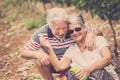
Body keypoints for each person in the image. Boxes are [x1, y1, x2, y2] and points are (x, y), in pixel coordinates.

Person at [21, 7, 101, 80]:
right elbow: (24, 52)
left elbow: (98, 32)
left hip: (73, 63)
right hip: (55, 65)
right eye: (58, 29)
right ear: (50, 26)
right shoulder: (41, 34)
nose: (62, 32)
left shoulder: (72, 30)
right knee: (39, 61)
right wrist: (38, 54)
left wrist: (91, 35)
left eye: (64, 28)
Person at [39, 13, 119, 80]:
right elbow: (59, 67)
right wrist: (49, 48)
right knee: (71, 73)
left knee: (96, 73)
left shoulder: (98, 40)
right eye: (71, 31)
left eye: (77, 29)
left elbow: (108, 58)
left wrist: (87, 69)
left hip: (105, 77)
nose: (75, 33)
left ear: (84, 28)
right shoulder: (72, 49)